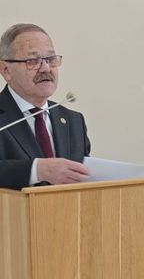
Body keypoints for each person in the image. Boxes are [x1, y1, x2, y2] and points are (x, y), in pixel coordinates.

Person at [0, 23, 90, 190]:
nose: (46, 68)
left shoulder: (73, 121)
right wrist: (36, 170)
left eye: (50, 59)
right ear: (6, 70)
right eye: (32, 61)